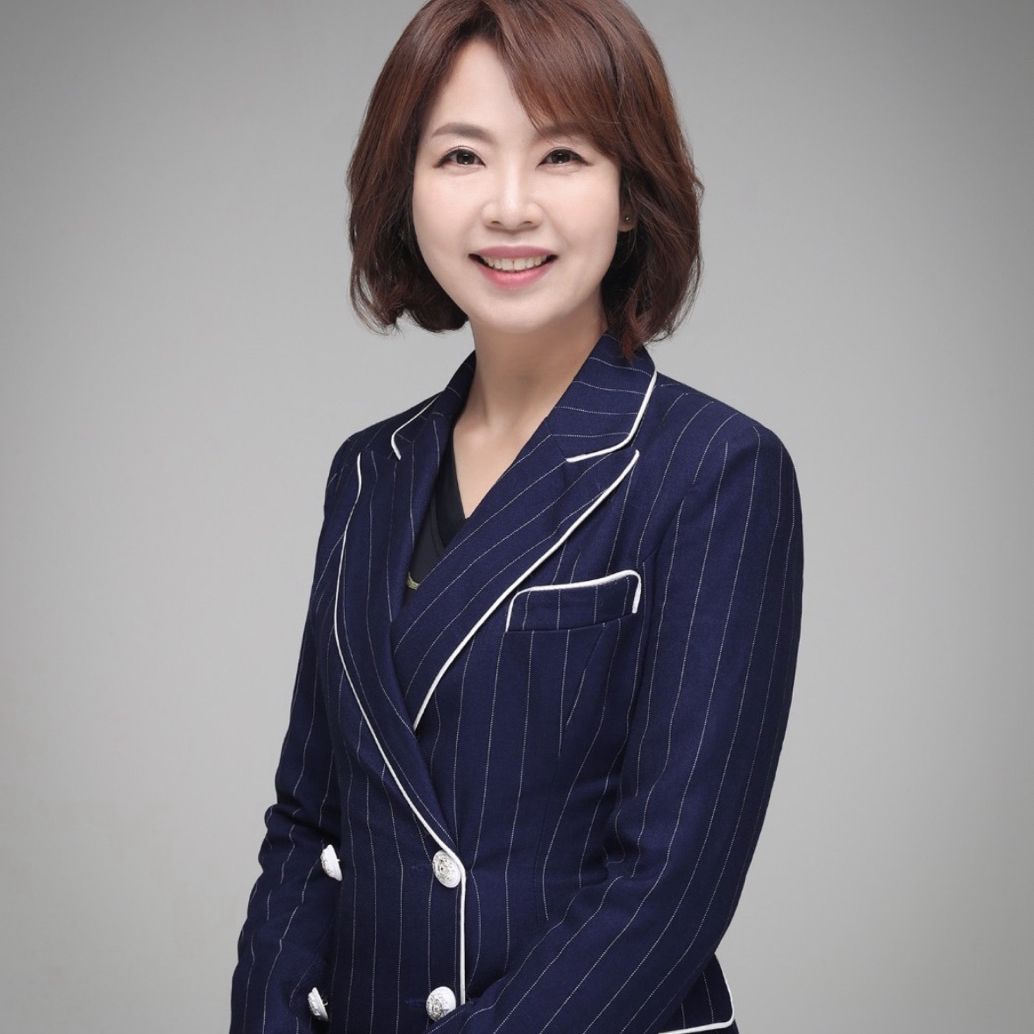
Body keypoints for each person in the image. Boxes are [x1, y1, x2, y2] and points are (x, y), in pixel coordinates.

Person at [228, 1, 804, 1032]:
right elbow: (310, 820)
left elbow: (668, 886)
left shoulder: (713, 469)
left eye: (562, 156)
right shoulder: (368, 472)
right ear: (404, 188)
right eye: (460, 156)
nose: (507, 206)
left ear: (631, 194)